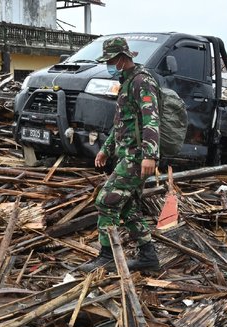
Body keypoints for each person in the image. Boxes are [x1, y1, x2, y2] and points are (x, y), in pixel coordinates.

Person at [78, 37, 160, 272]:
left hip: (138, 156)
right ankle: (148, 257)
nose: (108, 66)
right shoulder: (126, 82)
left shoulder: (142, 82)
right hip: (128, 154)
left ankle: (107, 256)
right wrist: (106, 149)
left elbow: (151, 119)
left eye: (111, 61)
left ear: (123, 59)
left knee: (106, 201)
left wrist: (149, 155)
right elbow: (122, 124)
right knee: (127, 208)